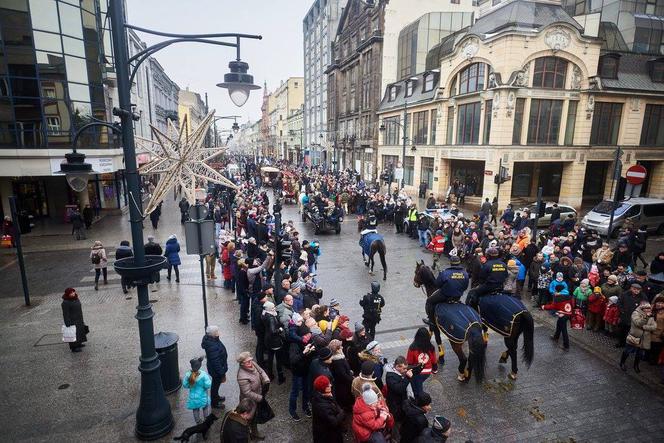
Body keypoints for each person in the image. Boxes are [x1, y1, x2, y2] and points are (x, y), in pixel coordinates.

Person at [236, 351, 270, 441]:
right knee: (248, 420)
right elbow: (247, 392)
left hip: (257, 396)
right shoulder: (241, 376)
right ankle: (246, 437)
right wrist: (260, 398)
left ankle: (255, 434)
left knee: (254, 418)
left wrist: (266, 379)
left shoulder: (252, 364)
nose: (250, 363)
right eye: (247, 362)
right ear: (242, 363)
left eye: (250, 360)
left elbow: (261, 371)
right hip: (249, 402)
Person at [620, 302, 657, 373]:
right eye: (646, 308)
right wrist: (646, 318)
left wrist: (644, 327)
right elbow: (638, 323)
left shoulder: (650, 315)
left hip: (644, 339)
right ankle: (622, 362)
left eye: (649, 308)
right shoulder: (635, 313)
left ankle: (636, 365)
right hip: (634, 337)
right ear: (642, 308)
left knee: (639, 354)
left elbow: (654, 327)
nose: (648, 310)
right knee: (627, 351)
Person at [311, 375, 345, 443]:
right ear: (323, 389)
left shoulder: (318, 396)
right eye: (328, 385)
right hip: (328, 435)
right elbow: (334, 422)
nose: (330, 385)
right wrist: (341, 412)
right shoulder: (323, 406)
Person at [201, 325, 228, 409]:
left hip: (216, 369)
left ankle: (216, 397)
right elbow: (215, 362)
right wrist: (222, 373)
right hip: (216, 371)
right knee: (215, 386)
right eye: (217, 332)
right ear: (213, 334)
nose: (218, 333)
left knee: (216, 385)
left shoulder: (211, 339)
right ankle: (215, 403)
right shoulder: (212, 345)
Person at [406, 328, 437, 397]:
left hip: (416, 371)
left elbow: (409, 362)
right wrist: (435, 370)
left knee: (417, 388)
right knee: (418, 383)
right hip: (427, 372)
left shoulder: (412, 347)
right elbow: (434, 360)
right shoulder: (431, 347)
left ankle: (419, 399)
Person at [542, 283, 573, 351]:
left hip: (563, 314)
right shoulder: (568, 295)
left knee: (564, 330)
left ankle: (566, 346)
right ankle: (556, 336)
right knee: (559, 324)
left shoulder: (558, 297)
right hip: (568, 314)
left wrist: (544, 306)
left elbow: (553, 306)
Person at [616, 283, 648, 347]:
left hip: (635, 318)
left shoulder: (643, 297)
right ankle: (620, 342)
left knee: (631, 332)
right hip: (625, 316)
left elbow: (646, 307)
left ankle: (628, 344)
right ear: (631, 288)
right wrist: (622, 311)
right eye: (634, 289)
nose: (636, 291)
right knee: (622, 330)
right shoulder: (624, 294)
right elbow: (619, 303)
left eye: (638, 290)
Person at [385, 356, 415, 424]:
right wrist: (407, 377)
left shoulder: (399, 372)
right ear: (397, 367)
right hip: (395, 404)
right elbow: (399, 389)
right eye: (404, 368)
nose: (405, 370)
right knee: (398, 420)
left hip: (401, 401)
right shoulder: (390, 377)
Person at [182, 356, 212, 424]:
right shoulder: (203, 374)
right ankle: (206, 420)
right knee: (205, 407)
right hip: (203, 396)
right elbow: (208, 385)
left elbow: (185, 385)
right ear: (200, 366)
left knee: (195, 409)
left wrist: (190, 385)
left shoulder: (188, 375)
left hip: (193, 397)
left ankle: (198, 421)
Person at [262, 301, 285, 383]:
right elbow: (273, 331)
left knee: (270, 358)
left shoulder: (264, 314)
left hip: (268, 340)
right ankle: (280, 377)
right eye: (272, 308)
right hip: (275, 341)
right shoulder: (271, 317)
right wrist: (280, 329)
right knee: (278, 360)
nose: (274, 308)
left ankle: (270, 375)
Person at [328, 339, 354, 412]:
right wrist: (352, 379)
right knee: (346, 399)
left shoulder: (337, 358)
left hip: (341, 384)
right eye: (340, 347)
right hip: (344, 386)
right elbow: (343, 375)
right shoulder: (338, 361)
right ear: (337, 350)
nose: (342, 347)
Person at [61, 288, 88, 352]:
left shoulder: (76, 298)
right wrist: (67, 323)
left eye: (73, 292)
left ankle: (79, 343)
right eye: (71, 293)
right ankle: (74, 347)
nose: (73, 293)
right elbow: (65, 314)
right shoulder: (65, 302)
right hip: (72, 320)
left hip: (79, 319)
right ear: (68, 294)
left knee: (80, 332)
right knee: (73, 333)